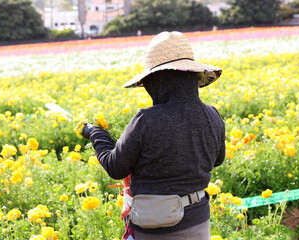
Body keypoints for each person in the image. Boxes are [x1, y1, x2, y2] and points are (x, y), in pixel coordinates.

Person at [81, 31, 225, 240]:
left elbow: (115, 166)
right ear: (192, 77)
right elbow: (217, 160)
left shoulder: (147, 120)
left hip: (156, 228)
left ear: (157, 81)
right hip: (199, 224)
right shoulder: (212, 115)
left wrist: (96, 134)